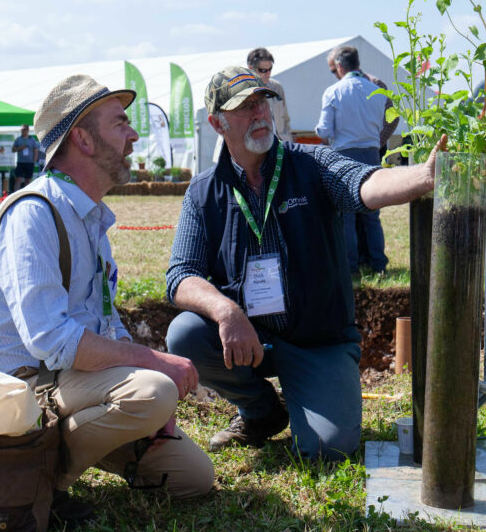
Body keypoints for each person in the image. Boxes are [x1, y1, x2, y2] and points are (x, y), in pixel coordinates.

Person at [0, 74, 214, 522]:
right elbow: (50, 342)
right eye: (119, 124)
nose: (134, 135)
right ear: (81, 137)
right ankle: (38, 482)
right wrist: (153, 366)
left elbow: (103, 320)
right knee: (153, 391)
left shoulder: (87, 215)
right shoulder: (34, 214)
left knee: (191, 476)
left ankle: (83, 441)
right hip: (21, 389)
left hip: (65, 385)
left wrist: (142, 389)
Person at [165, 66, 444, 460]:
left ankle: (309, 398)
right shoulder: (203, 193)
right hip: (251, 338)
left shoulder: (312, 164)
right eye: (244, 107)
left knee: (327, 450)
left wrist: (425, 174)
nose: (259, 113)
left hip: (318, 341)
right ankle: (262, 413)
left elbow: (364, 184)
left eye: (262, 102)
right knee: (185, 335)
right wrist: (226, 311)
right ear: (217, 123)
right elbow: (181, 275)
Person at [316, 45, 393, 275]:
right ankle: (379, 264)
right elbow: (385, 121)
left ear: (339, 66)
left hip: (344, 155)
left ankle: (351, 266)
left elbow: (323, 131)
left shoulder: (333, 92)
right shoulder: (377, 90)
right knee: (372, 214)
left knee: (346, 216)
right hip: (371, 153)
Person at [246, 47, 292, 142]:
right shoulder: (241, 91)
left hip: (280, 145)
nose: (268, 73)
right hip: (257, 146)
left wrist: (288, 141)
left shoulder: (277, 87)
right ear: (251, 68)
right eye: (263, 70)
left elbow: (285, 118)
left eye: (270, 69)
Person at [11, 124, 37, 191]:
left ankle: (26, 194)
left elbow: (35, 150)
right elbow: (13, 150)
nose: (23, 131)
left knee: (27, 180)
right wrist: (20, 148)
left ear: (28, 130)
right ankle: (15, 194)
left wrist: (34, 161)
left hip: (29, 162)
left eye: (24, 129)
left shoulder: (32, 139)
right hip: (20, 162)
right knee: (18, 179)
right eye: (22, 129)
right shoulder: (18, 139)